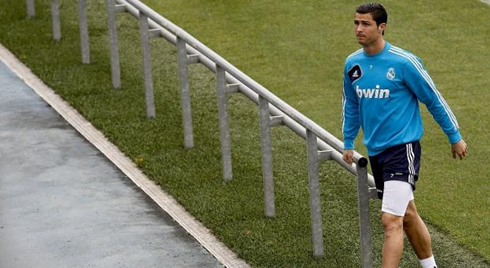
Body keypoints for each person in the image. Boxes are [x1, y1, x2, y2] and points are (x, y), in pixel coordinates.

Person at [341, 3, 468, 268]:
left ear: (382, 27)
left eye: (365, 24)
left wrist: (454, 136)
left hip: (403, 149)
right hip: (376, 151)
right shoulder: (353, 65)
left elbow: (433, 99)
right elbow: (351, 105)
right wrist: (348, 142)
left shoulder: (403, 63)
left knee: (390, 220)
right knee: (407, 214)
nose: (359, 29)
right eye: (356, 23)